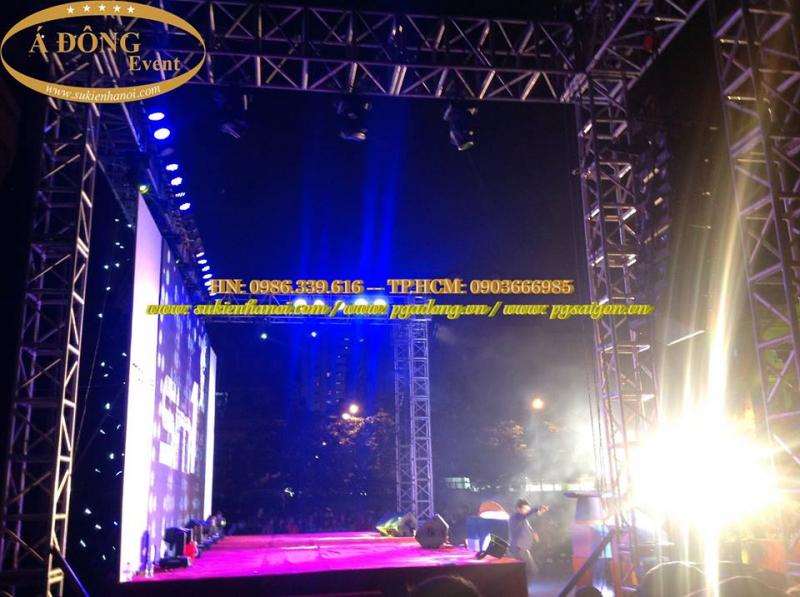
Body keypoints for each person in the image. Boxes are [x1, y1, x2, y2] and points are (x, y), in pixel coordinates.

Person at [508, 498, 549, 577]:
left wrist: (533, 533)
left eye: (528, 509)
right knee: (532, 571)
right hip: (519, 549)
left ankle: (521, 583)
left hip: (522, 549)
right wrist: (537, 508)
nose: (527, 511)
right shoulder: (515, 517)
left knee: (528, 571)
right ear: (518, 509)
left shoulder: (523, 518)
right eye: (525, 509)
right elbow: (527, 514)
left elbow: (527, 526)